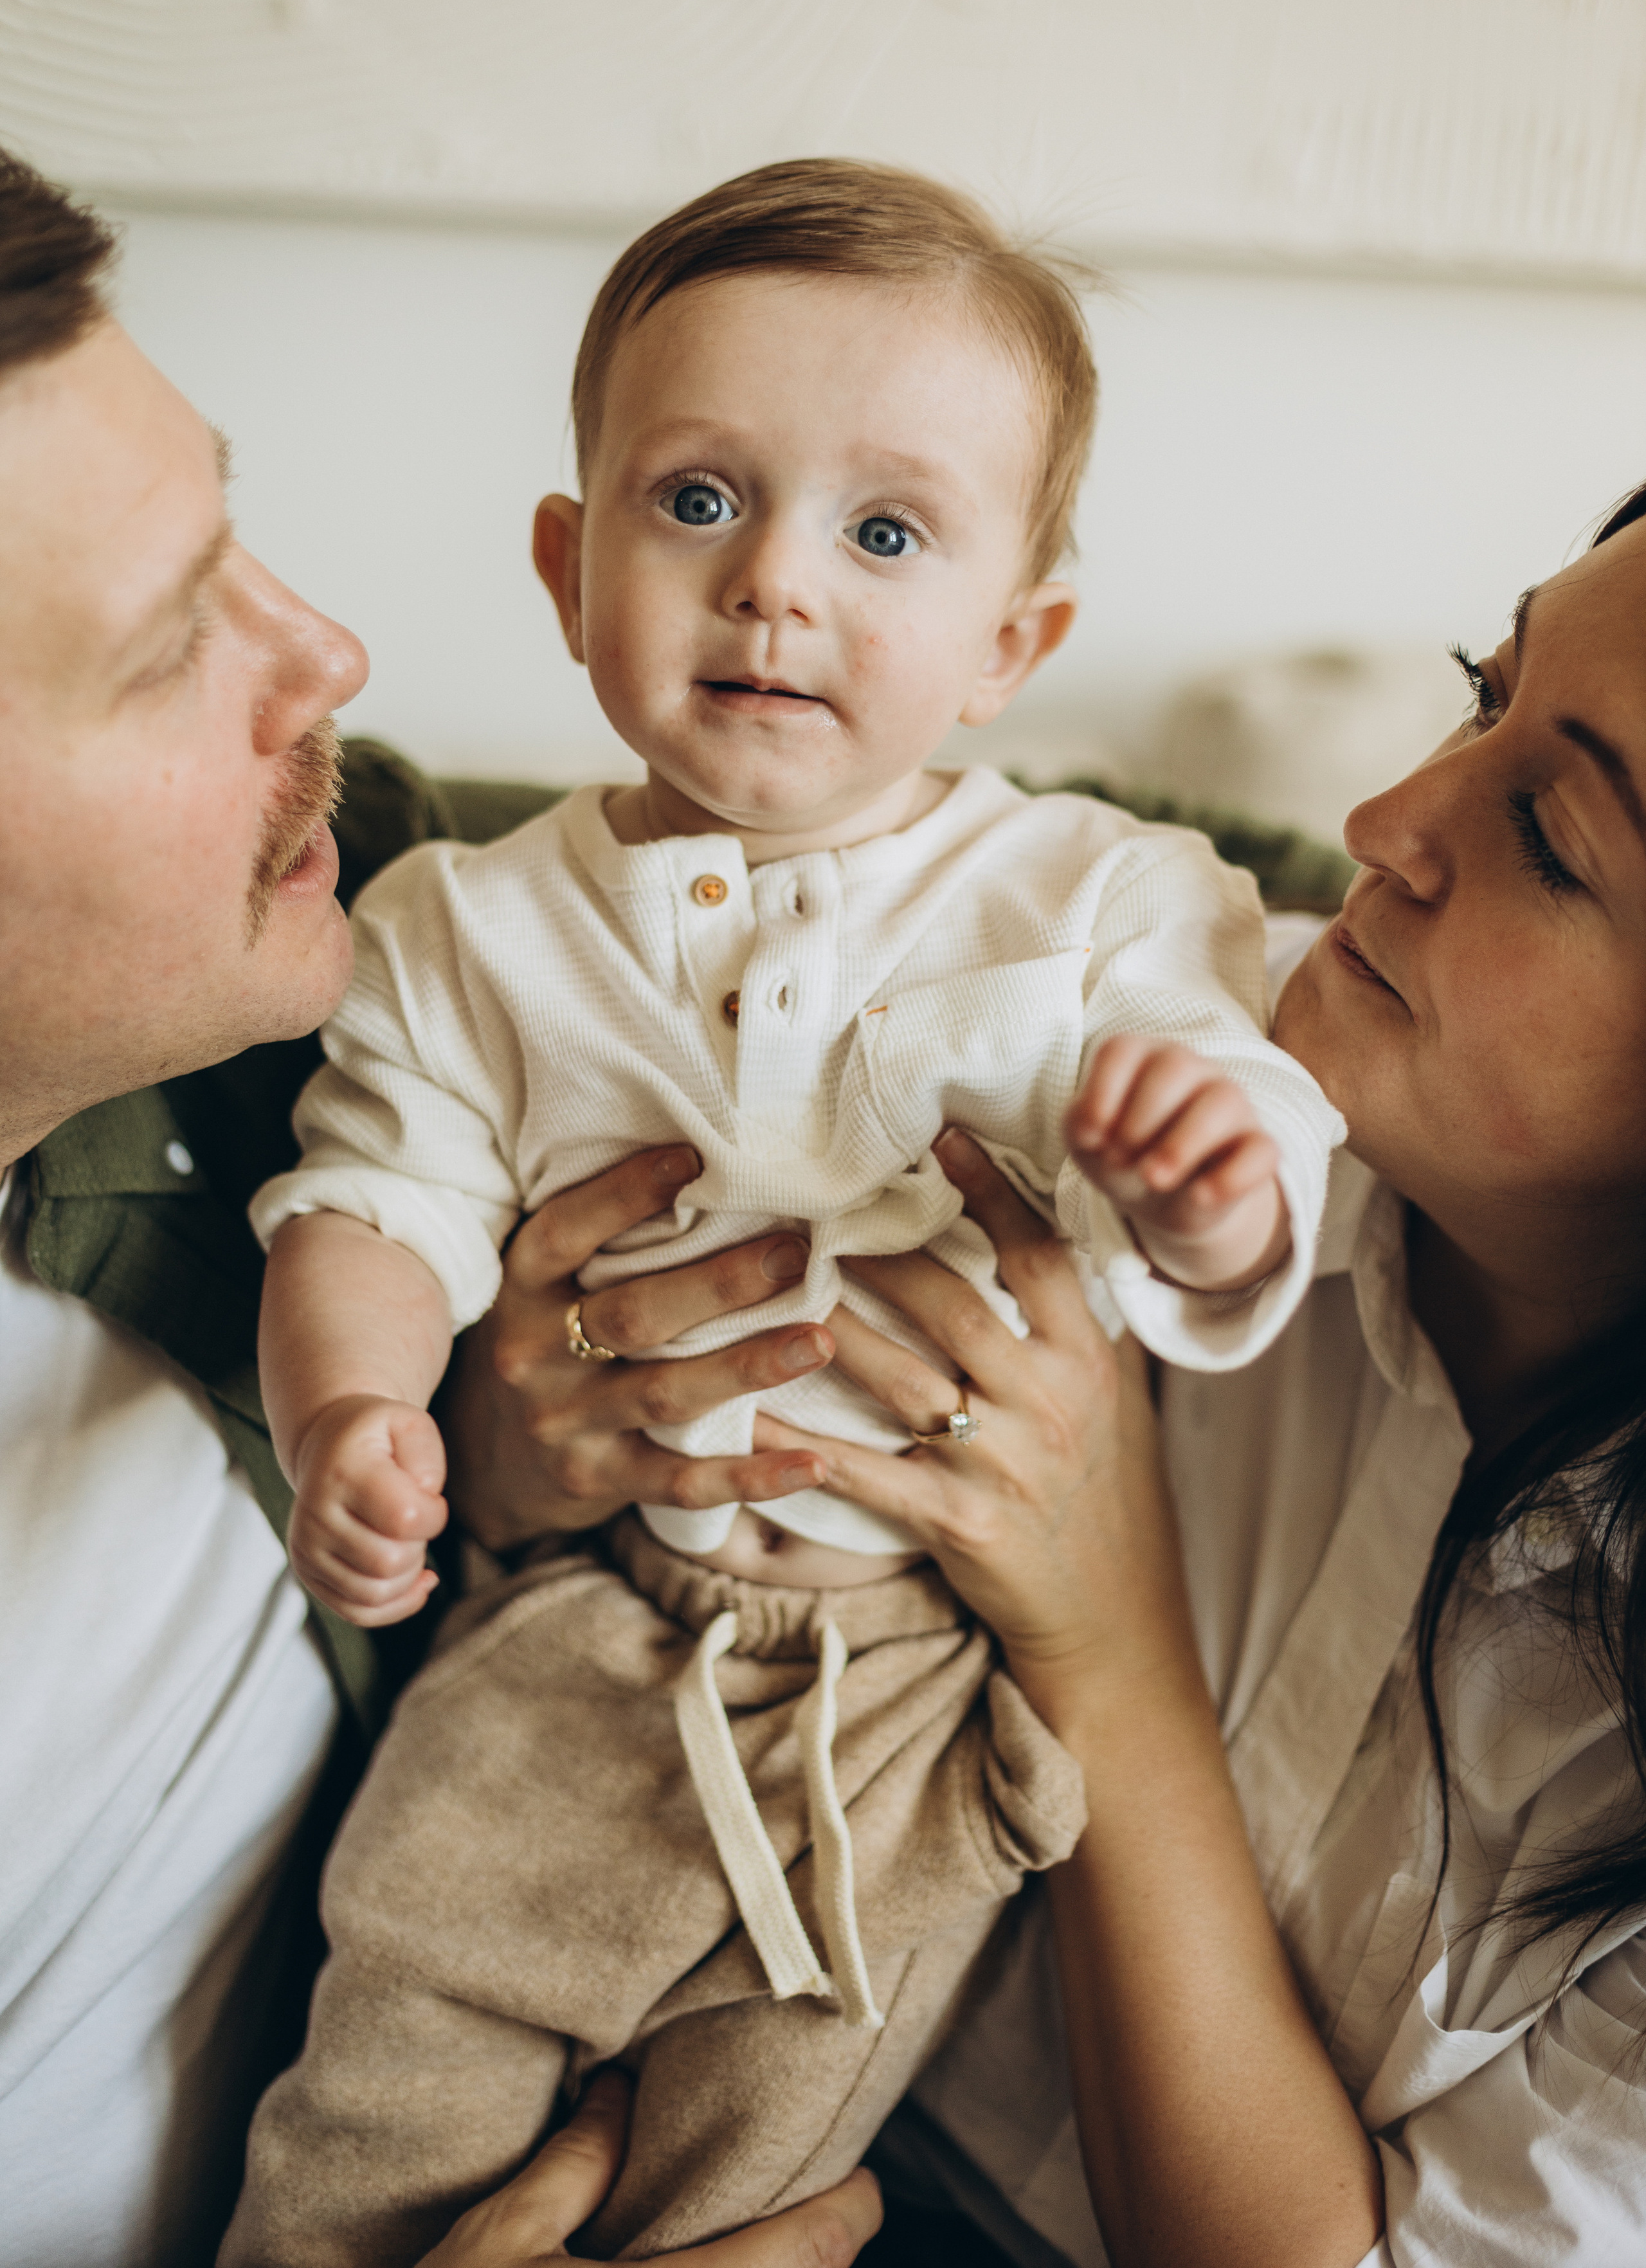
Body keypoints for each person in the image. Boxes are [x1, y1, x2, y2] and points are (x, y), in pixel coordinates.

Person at [221, 162, 1341, 2262]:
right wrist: (347, 1414)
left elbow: (1248, 1108)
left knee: (761, 2159)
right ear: (569, 570)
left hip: (907, 1687)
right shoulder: (468, 926)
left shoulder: (1099, 900)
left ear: (1013, 643)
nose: (773, 587)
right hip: (573, 1640)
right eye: (698, 500)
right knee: (386, 2083)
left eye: (884, 534)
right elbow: (372, 1196)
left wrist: (1207, 1185)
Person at [448, 488, 1646, 2266]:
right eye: (1484, 691)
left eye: (1549, 835)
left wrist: (1104, 1632)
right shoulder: (1130, 1035)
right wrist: (510, 1442)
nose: (1382, 822)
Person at [0, 146, 892, 2268]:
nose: (328, 653)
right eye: (169, 642)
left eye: (236, 535)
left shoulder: (347, 916)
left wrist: (483, 1438)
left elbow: (1072, 872)